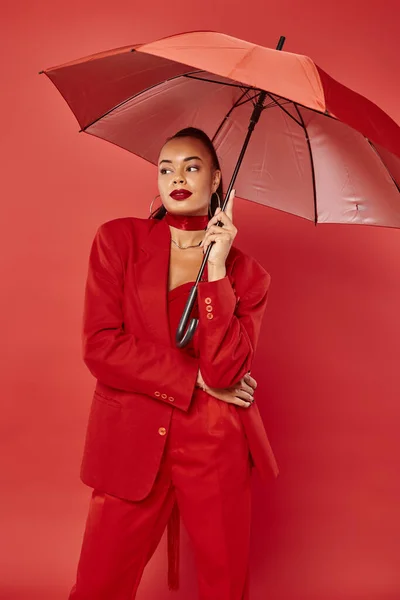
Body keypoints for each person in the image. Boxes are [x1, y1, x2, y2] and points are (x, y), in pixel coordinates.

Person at [68, 127, 279, 600]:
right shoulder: (118, 241)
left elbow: (228, 373)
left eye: (192, 166)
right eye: (166, 168)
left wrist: (217, 270)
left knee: (225, 586)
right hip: (131, 435)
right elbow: (100, 346)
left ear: (217, 179)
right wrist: (194, 377)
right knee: (99, 583)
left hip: (215, 439)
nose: (176, 177)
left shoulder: (248, 274)